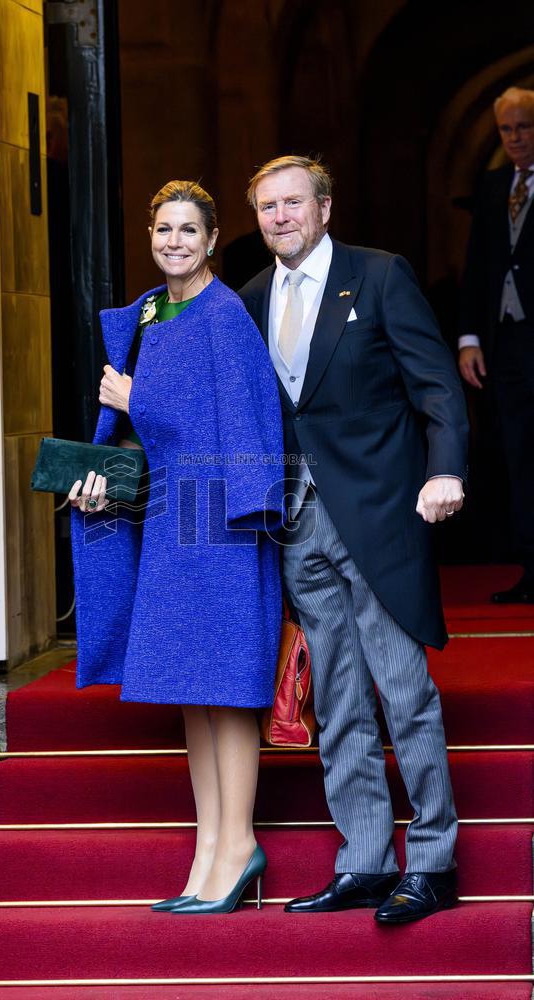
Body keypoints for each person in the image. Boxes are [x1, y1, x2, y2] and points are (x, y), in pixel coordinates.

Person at [239, 155, 469, 924]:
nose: (279, 216)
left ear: (325, 207)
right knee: (337, 702)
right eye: (267, 206)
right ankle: (366, 861)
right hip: (299, 524)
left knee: (404, 694)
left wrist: (447, 470)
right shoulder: (250, 299)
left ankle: (434, 862)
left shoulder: (379, 277)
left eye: (292, 202)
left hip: (379, 516)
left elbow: (435, 383)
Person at [67, 180, 285, 915]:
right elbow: (137, 435)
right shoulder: (152, 313)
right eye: (164, 228)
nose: (174, 241)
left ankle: (240, 843)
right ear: (151, 234)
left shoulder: (225, 317)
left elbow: (243, 429)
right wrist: (97, 471)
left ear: (213, 238)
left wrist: (137, 400)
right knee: (193, 697)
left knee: (227, 696)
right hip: (170, 521)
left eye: (189, 230)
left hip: (219, 525)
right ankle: (208, 850)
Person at [458, 86, 534, 603]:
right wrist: (468, 338)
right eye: (506, 129)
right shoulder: (491, 187)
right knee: (518, 455)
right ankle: (532, 568)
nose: (514, 138)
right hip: (505, 344)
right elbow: (478, 268)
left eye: (524, 127)